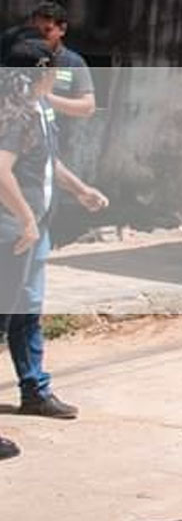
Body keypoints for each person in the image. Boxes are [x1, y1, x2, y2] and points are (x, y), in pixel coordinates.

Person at [0, 39, 109, 458]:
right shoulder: (16, 111)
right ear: (36, 73)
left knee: (26, 310)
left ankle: (34, 387)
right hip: (14, 231)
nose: (56, 75)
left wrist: (80, 190)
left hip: (31, 229)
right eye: (51, 69)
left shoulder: (38, 109)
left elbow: (45, 162)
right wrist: (26, 218)